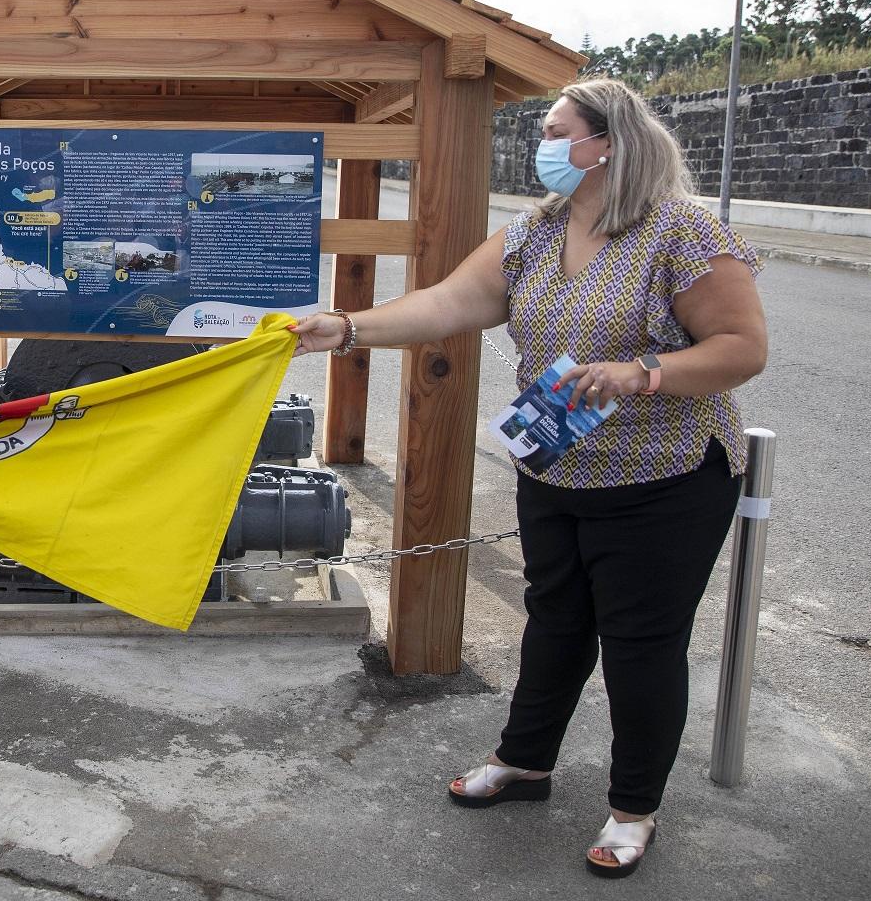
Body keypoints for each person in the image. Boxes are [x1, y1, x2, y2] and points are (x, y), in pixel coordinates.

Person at [291, 78, 767, 879]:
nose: (543, 145)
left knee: (641, 646)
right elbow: (449, 303)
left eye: (557, 130)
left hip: (667, 476)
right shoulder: (538, 230)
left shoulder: (681, 231)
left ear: (605, 142)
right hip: (559, 463)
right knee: (554, 622)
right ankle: (526, 763)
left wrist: (643, 373)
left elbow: (742, 347)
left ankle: (633, 808)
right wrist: (348, 329)